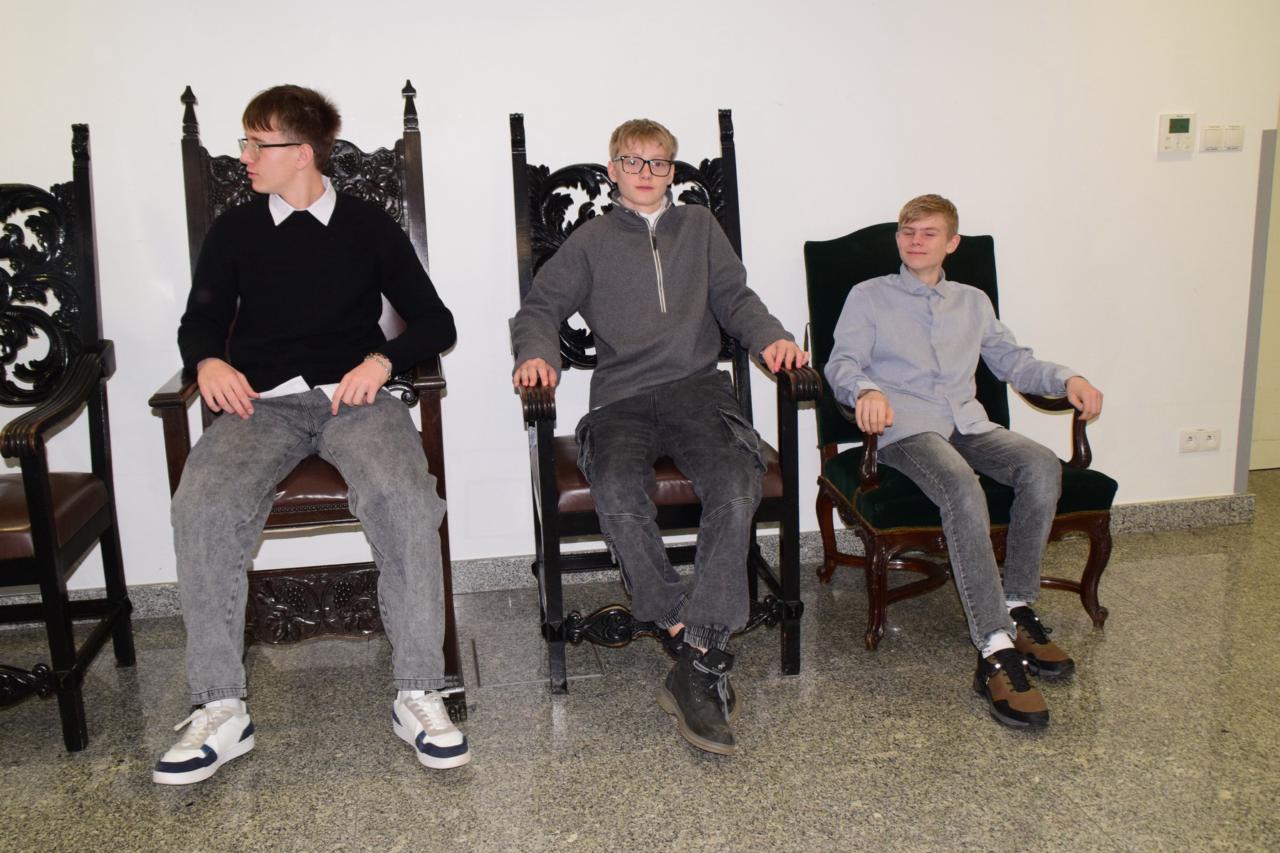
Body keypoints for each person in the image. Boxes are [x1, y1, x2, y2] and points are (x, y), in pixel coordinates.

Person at [153, 85, 468, 784]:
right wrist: (207, 362)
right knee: (201, 505)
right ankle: (220, 705)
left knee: (405, 499)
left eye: (255, 143)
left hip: (354, 400)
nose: (244, 156)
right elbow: (200, 321)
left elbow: (435, 321)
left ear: (301, 153)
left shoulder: (366, 225)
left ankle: (419, 691)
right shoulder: (235, 231)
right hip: (259, 406)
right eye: (243, 141)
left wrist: (383, 360)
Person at [510, 119, 808, 755]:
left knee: (737, 479)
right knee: (617, 485)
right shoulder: (591, 240)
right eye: (633, 162)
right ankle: (680, 625)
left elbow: (736, 298)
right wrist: (537, 354)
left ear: (673, 170)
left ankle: (700, 648)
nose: (646, 174)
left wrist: (773, 338)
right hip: (621, 399)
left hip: (698, 391)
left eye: (659, 163)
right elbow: (539, 307)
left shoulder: (699, 228)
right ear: (612, 170)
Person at [824, 194, 1103, 729]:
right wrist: (865, 391)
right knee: (960, 485)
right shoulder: (869, 296)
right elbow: (842, 363)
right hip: (905, 428)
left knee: (1040, 465)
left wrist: (1068, 378)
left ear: (951, 243)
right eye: (907, 231)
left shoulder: (972, 301)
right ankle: (994, 645)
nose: (915, 241)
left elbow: (1013, 362)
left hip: (968, 423)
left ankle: (1016, 604)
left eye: (928, 233)